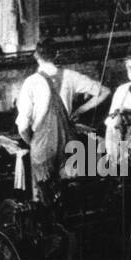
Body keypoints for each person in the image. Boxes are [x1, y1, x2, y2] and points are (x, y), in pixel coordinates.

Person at [16, 37, 110, 192]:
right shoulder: (71, 76)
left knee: (44, 199)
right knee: (71, 195)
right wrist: (80, 110)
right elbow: (104, 91)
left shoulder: (31, 83)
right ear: (57, 54)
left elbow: (23, 126)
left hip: (42, 149)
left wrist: (32, 142)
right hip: (69, 145)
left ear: (36, 56)